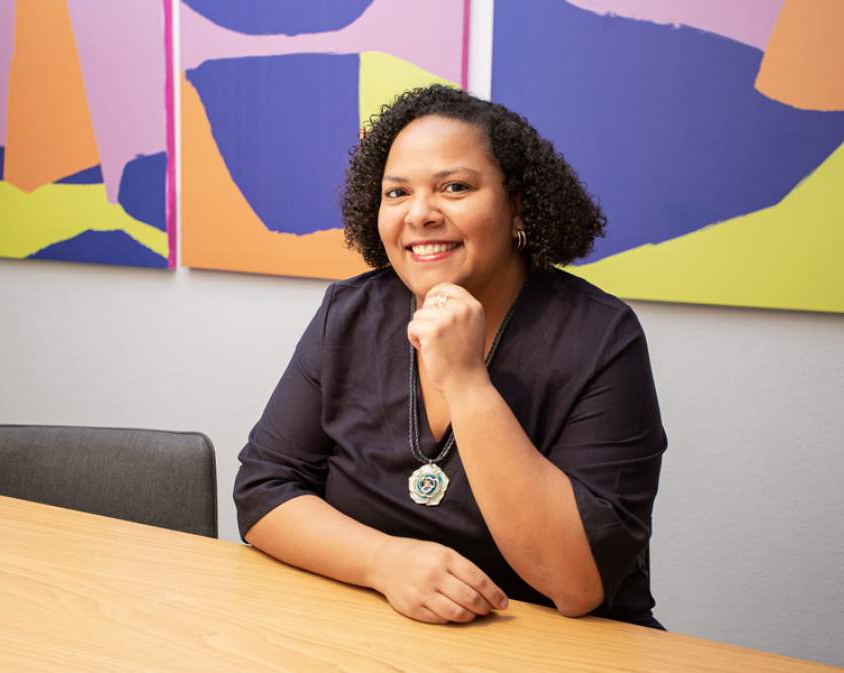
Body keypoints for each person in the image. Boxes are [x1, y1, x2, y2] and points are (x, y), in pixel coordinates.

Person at [234, 84, 666, 628]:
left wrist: (466, 382)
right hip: (375, 634)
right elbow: (264, 491)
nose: (420, 214)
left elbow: (576, 585)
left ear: (518, 206)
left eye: (454, 187)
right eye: (397, 193)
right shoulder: (348, 314)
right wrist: (384, 562)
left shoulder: (600, 336)